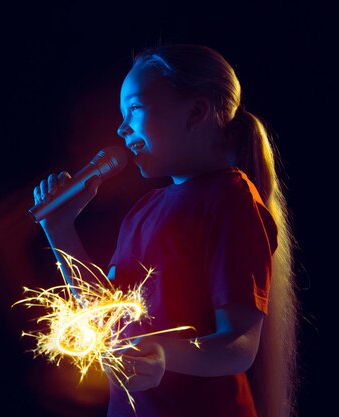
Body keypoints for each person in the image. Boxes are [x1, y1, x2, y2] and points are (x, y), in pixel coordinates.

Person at [32, 44, 298, 417]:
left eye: (135, 109)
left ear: (196, 111)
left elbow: (239, 346)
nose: (121, 128)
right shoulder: (143, 210)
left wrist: (162, 353)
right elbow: (105, 321)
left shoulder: (230, 200)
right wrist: (59, 231)